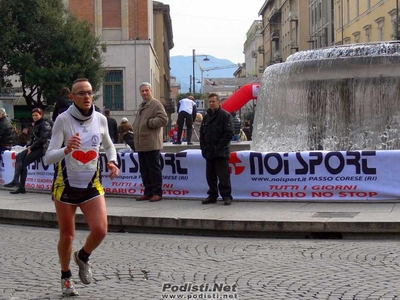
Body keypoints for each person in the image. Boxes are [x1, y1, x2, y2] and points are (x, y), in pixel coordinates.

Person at [43, 78, 120, 297]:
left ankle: (83, 256)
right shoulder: (63, 120)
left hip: (91, 185)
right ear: (72, 97)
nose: (87, 97)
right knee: (67, 236)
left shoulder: (101, 119)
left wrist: (112, 162)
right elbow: (49, 157)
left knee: (101, 230)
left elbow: (109, 145)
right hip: (65, 185)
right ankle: (66, 277)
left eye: (89, 92)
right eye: (81, 93)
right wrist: (66, 150)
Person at [132, 82, 167, 202]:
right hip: (141, 144)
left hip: (151, 143)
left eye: (147, 90)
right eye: (142, 91)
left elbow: (163, 119)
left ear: (151, 91)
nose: (145, 93)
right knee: (144, 170)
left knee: (154, 169)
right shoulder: (143, 105)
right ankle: (148, 192)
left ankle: (157, 193)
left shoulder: (156, 104)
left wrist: (149, 123)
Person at [4, 108, 53, 194]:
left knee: (24, 162)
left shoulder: (45, 124)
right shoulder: (36, 124)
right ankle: (16, 181)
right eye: (33, 115)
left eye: (36, 115)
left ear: (41, 115)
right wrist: (29, 145)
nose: (34, 117)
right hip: (35, 146)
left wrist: (32, 147)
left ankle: (21, 186)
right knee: (19, 156)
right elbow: (33, 137)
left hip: (43, 147)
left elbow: (42, 139)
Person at [200, 93, 234, 206]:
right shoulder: (206, 117)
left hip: (221, 152)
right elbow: (202, 134)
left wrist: (218, 147)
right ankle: (212, 195)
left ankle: (226, 196)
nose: (211, 103)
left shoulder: (225, 116)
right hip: (209, 152)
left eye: (213, 101)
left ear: (219, 103)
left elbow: (229, 133)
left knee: (223, 176)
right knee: (210, 176)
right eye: (209, 101)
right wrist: (203, 147)